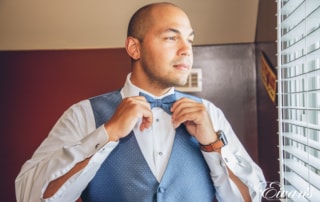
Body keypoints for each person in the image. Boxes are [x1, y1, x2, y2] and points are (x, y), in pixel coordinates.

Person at [15, 2, 265, 202]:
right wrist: (108, 133)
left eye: (190, 39)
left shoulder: (210, 114)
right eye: (171, 37)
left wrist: (212, 144)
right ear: (134, 48)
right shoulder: (83, 115)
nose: (186, 50)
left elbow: (250, 198)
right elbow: (29, 195)